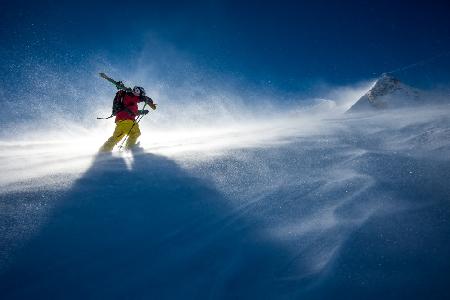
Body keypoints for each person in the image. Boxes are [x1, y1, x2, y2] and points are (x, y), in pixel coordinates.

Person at [100, 85, 157, 152]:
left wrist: (142, 112)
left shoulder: (131, 101)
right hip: (127, 121)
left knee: (116, 138)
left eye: (138, 91)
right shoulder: (130, 95)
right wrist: (144, 98)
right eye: (135, 90)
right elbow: (136, 99)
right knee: (135, 133)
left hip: (120, 121)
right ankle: (129, 150)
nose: (135, 92)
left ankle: (103, 151)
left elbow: (131, 112)